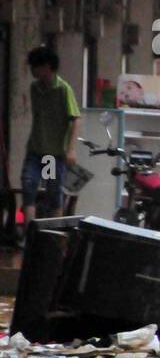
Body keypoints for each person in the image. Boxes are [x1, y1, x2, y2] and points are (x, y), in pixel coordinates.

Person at [21, 46, 81, 230]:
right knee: (28, 185)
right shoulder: (35, 88)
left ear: (47, 67)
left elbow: (75, 119)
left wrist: (71, 149)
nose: (32, 71)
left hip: (52, 155)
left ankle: (54, 235)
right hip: (36, 150)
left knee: (53, 193)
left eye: (35, 66)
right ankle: (30, 233)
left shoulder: (63, 89)